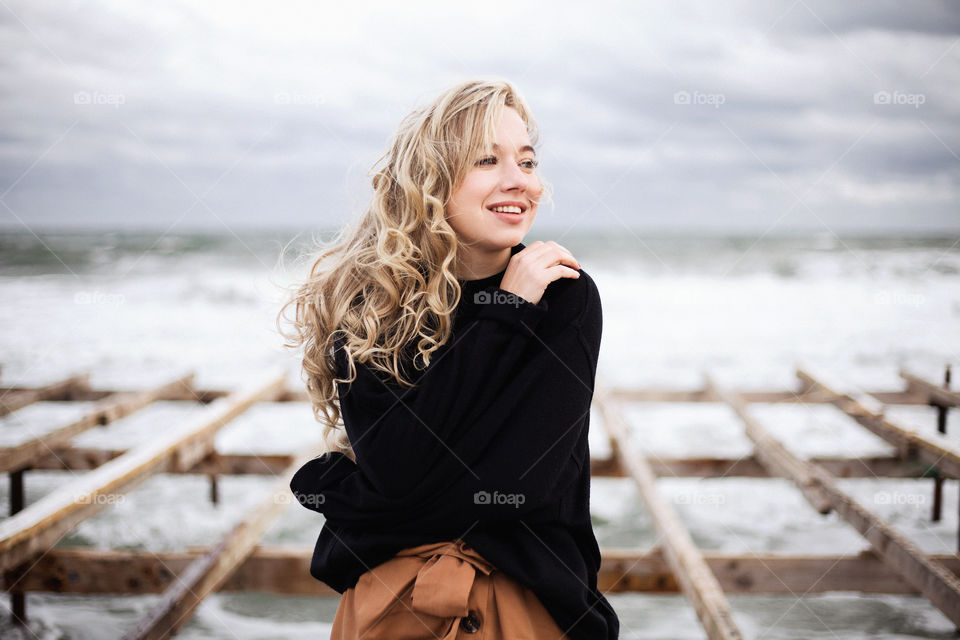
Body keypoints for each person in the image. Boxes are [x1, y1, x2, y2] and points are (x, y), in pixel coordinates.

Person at [280, 78, 619, 640]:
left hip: (527, 603)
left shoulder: (564, 294)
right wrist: (504, 312)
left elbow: (519, 485)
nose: (519, 181)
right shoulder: (370, 303)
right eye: (487, 159)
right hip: (390, 605)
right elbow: (401, 466)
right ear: (430, 182)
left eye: (528, 162)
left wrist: (358, 498)